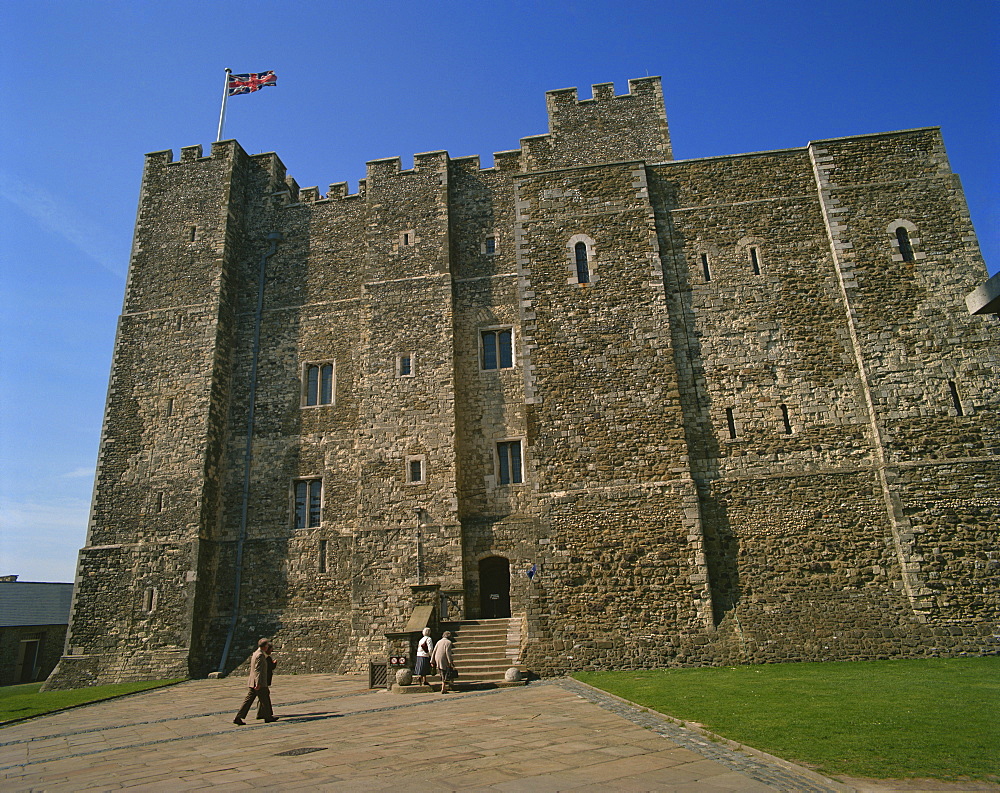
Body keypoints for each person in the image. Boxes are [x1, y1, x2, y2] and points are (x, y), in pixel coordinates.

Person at [233, 638, 278, 725]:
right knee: (265, 698)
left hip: (253, 682)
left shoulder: (256, 653)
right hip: (259, 682)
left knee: (249, 700)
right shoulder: (260, 655)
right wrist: (258, 683)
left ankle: (238, 717)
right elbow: (258, 670)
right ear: (265, 647)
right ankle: (268, 717)